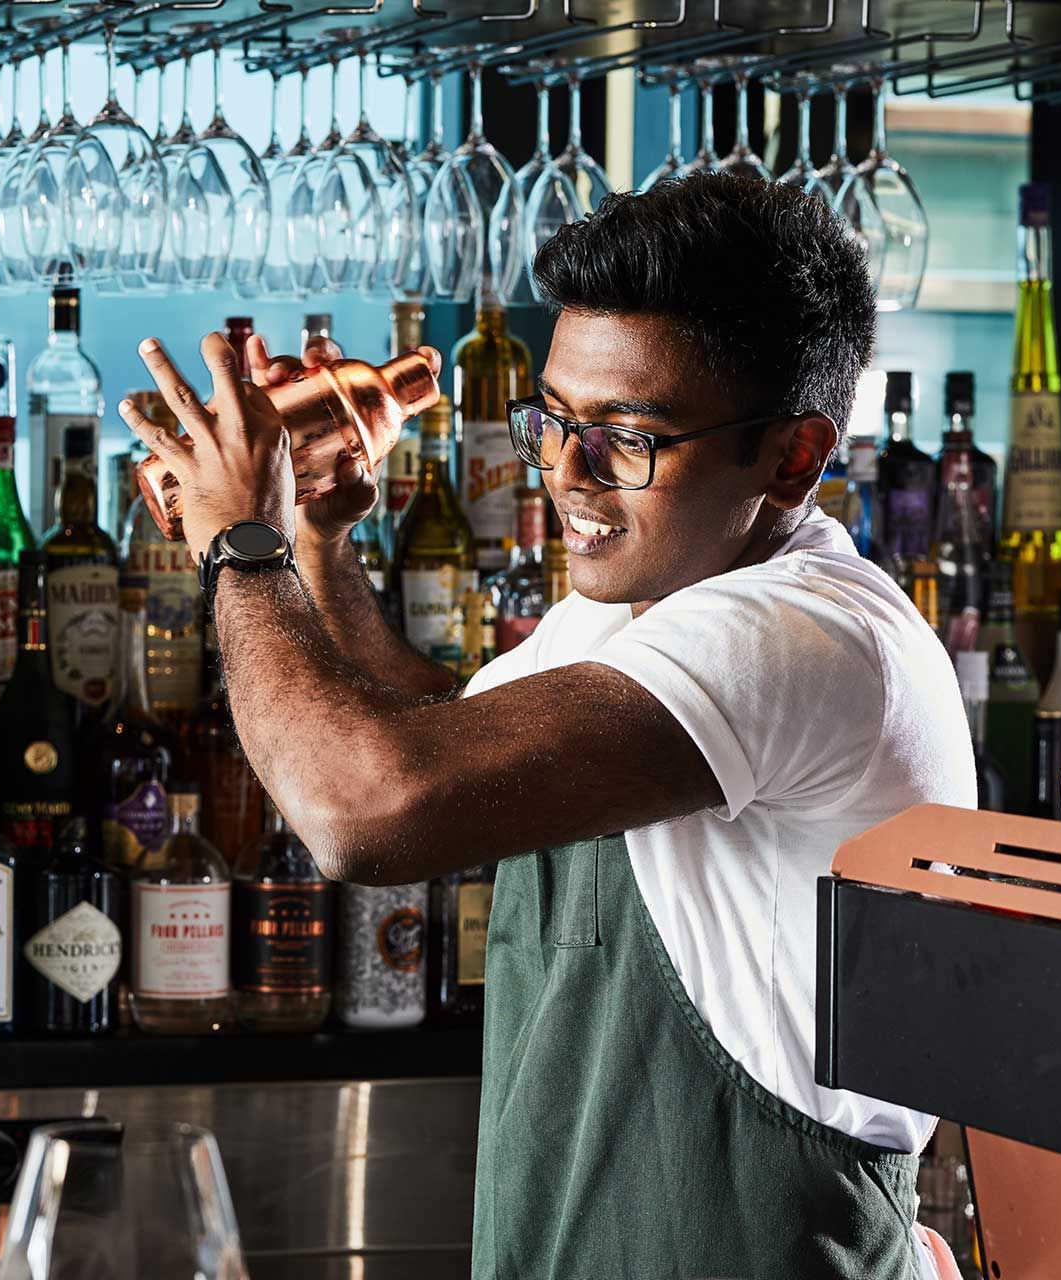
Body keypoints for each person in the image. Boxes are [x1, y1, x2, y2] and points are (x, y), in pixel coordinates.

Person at [118, 173, 972, 1280]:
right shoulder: (660, 598)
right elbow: (438, 736)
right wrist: (319, 542)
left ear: (792, 455)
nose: (567, 473)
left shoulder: (800, 637)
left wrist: (246, 541)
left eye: (627, 436)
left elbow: (362, 804)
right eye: (556, 420)